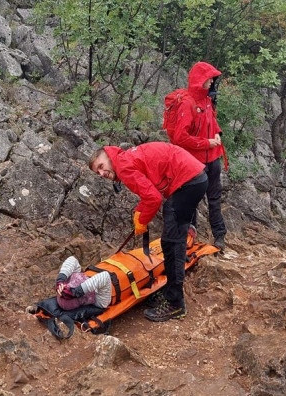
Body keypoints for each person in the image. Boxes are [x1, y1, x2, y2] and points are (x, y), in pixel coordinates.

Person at [88, 142, 208, 321]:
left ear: (108, 155)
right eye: (98, 173)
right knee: (173, 238)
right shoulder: (126, 159)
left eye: (101, 167)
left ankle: (175, 304)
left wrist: (142, 221)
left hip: (187, 182)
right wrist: (139, 211)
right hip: (193, 179)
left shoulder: (123, 167)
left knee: (171, 244)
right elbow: (148, 193)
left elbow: (153, 198)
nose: (102, 173)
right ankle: (170, 293)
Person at [167, 61, 228, 250]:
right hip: (194, 162)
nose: (211, 82)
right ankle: (188, 238)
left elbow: (212, 122)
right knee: (192, 200)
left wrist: (217, 133)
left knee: (215, 199)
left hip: (213, 158)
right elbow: (179, 137)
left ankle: (219, 237)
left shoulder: (207, 100)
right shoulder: (188, 104)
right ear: (199, 80)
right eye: (209, 79)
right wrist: (205, 143)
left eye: (212, 79)